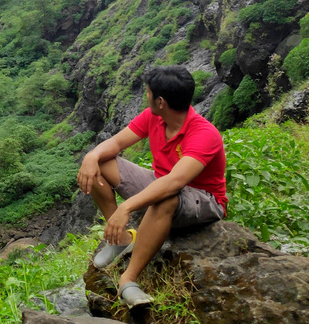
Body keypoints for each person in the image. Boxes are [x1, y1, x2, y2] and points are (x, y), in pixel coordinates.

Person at [76, 65, 227, 307]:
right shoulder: (154, 118)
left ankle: (129, 279)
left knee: (164, 197)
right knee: (100, 164)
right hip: (162, 184)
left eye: (147, 93)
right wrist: (91, 157)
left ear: (160, 102)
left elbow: (174, 183)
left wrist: (125, 209)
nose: (145, 96)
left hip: (204, 200)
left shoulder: (204, 134)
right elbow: (115, 143)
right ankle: (122, 240)